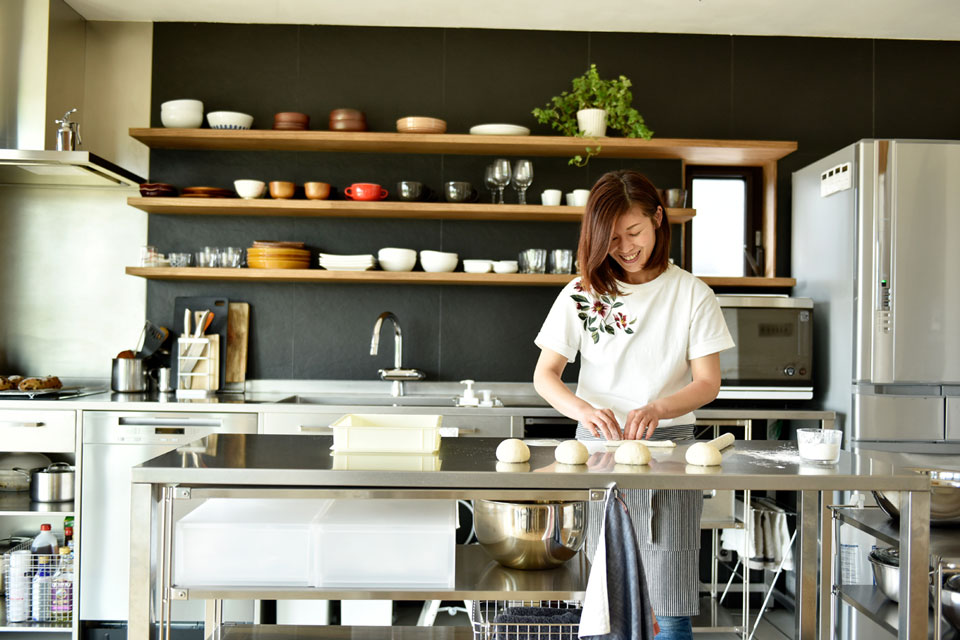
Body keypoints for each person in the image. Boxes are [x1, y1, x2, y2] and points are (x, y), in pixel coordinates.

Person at [533, 170, 734, 640]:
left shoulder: (692, 294)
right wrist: (583, 411)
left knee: (669, 601)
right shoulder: (582, 292)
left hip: (669, 451)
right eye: (612, 238)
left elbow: (708, 383)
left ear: (658, 219)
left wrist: (660, 409)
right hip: (597, 449)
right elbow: (546, 375)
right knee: (602, 603)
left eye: (634, 232)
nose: (624, 247)